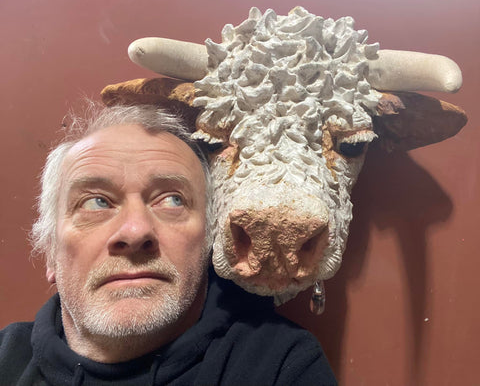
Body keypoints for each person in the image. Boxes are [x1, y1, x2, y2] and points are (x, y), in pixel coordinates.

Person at [0, 103, 337, 385]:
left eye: (172, 200)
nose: (134, 232)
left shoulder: (282, 366)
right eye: (97, 202)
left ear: (210, 242)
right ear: (51, 254)